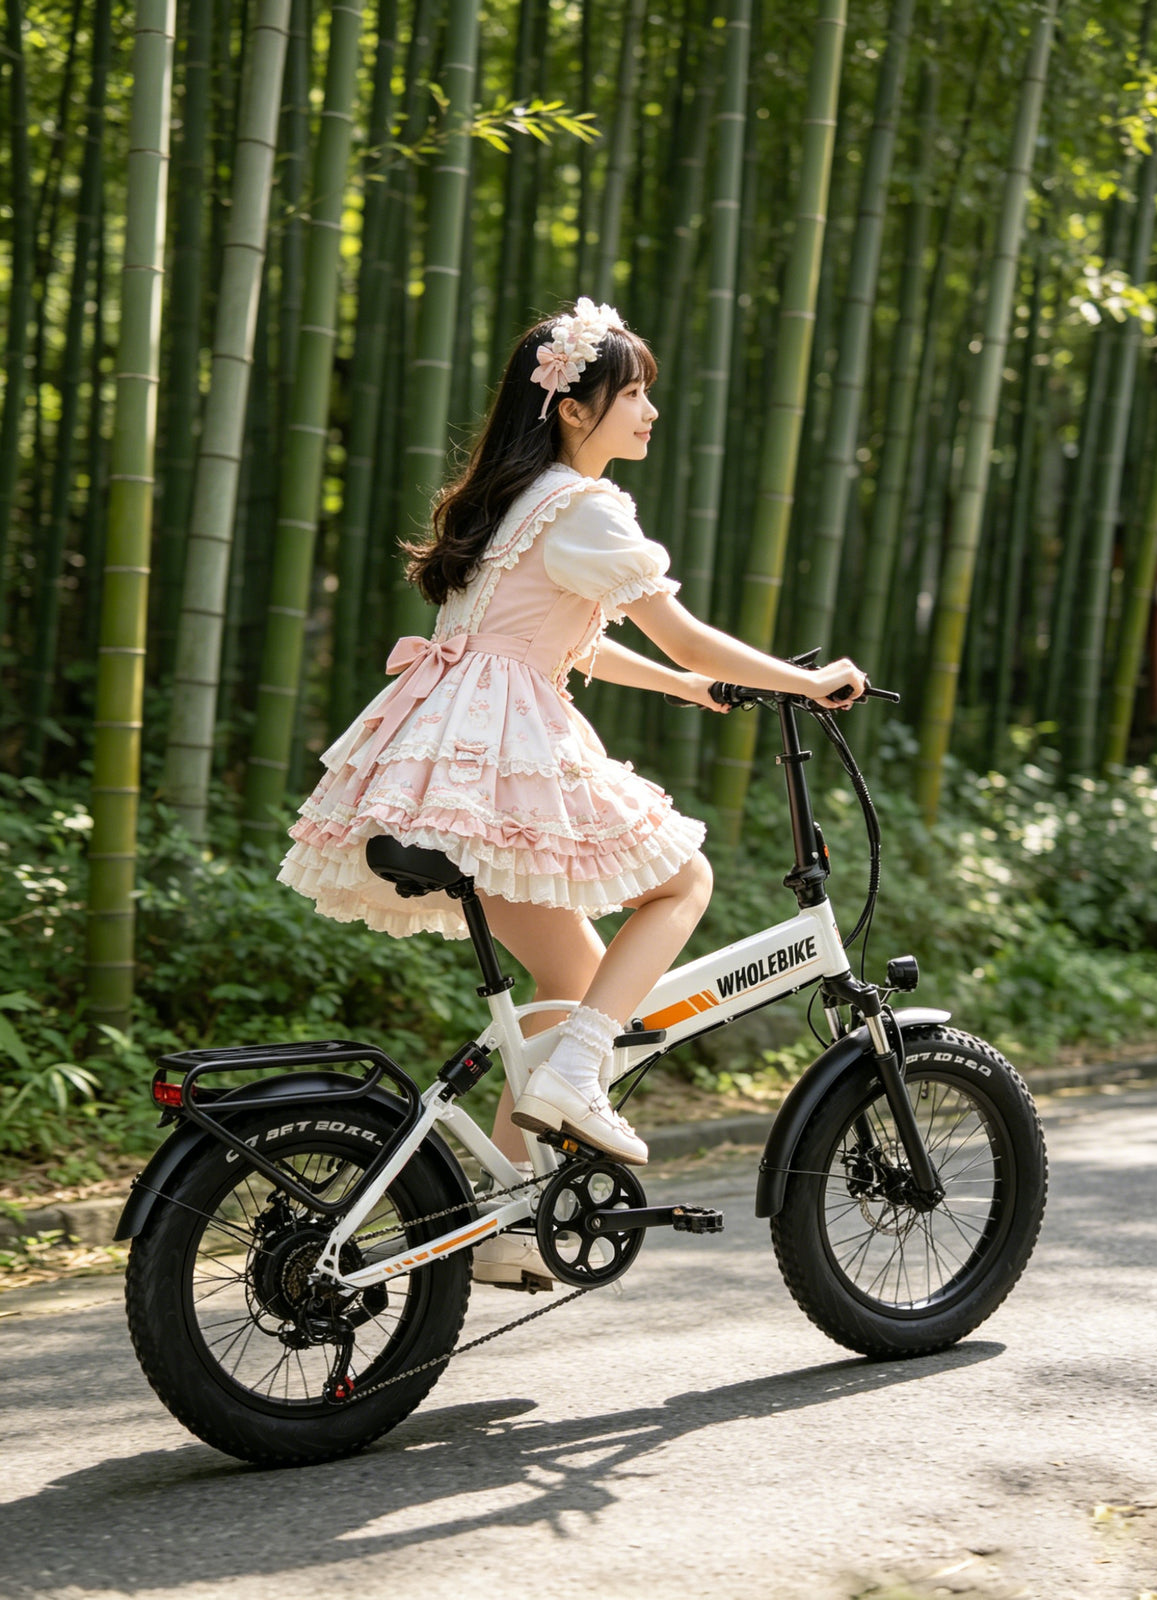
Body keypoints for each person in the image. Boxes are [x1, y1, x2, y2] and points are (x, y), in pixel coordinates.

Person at [279, 297, 866, 1288]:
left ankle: (507, 1221)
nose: (650, 411)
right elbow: (680, 631)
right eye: (633, 395)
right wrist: (805, 683)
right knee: (682, 883)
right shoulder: (585, 506)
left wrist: (684, 689)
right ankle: (579, 1076)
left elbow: (561, 636)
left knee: (571, 991)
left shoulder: (519, 501)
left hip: (437, 759)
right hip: (502, 751)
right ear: (573, 408)